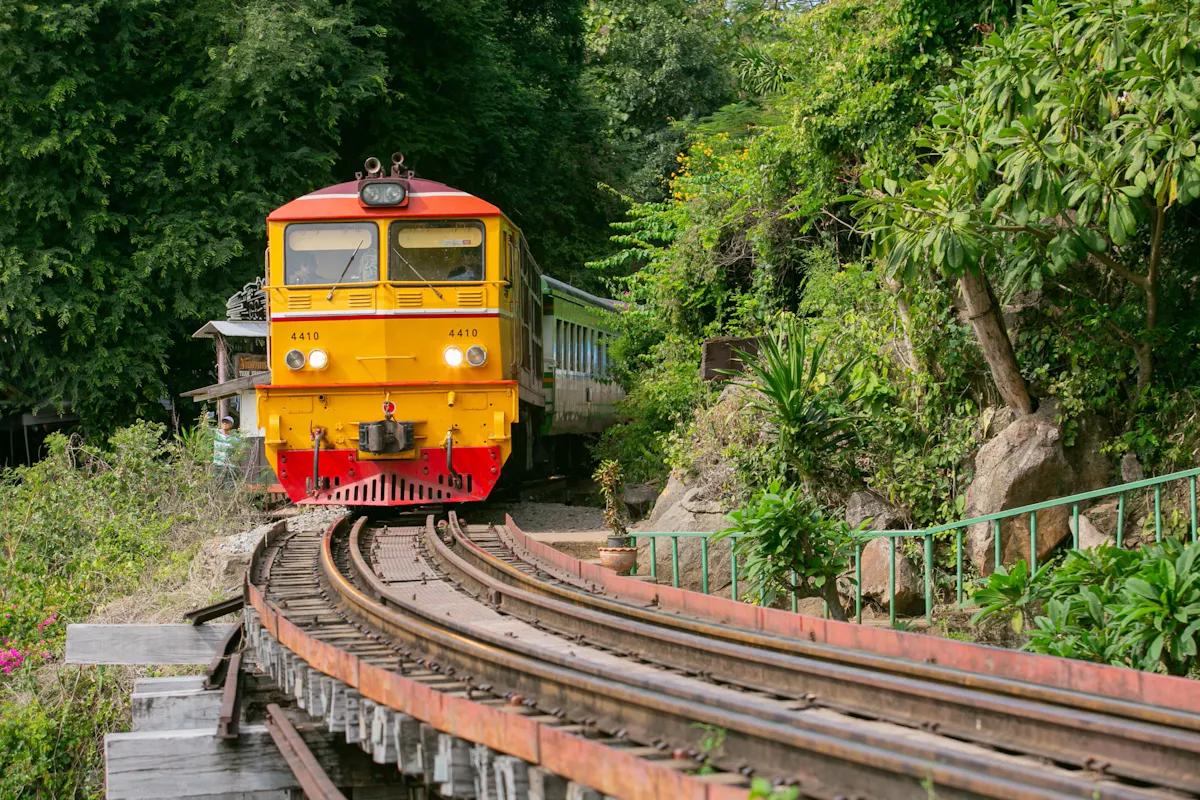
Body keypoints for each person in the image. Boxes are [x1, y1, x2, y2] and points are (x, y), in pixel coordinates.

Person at [212, 415, 242, 486]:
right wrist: (204, 419)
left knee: (229, 487)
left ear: (231, 425)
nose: (225, 423)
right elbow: (204, 429)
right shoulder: (216, 433)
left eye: (227, 422)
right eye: (223, 422)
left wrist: (237, 458)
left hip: (230, 466)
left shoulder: (235, 437)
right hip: (218, 465)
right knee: (216, 486)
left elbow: (243, 447)